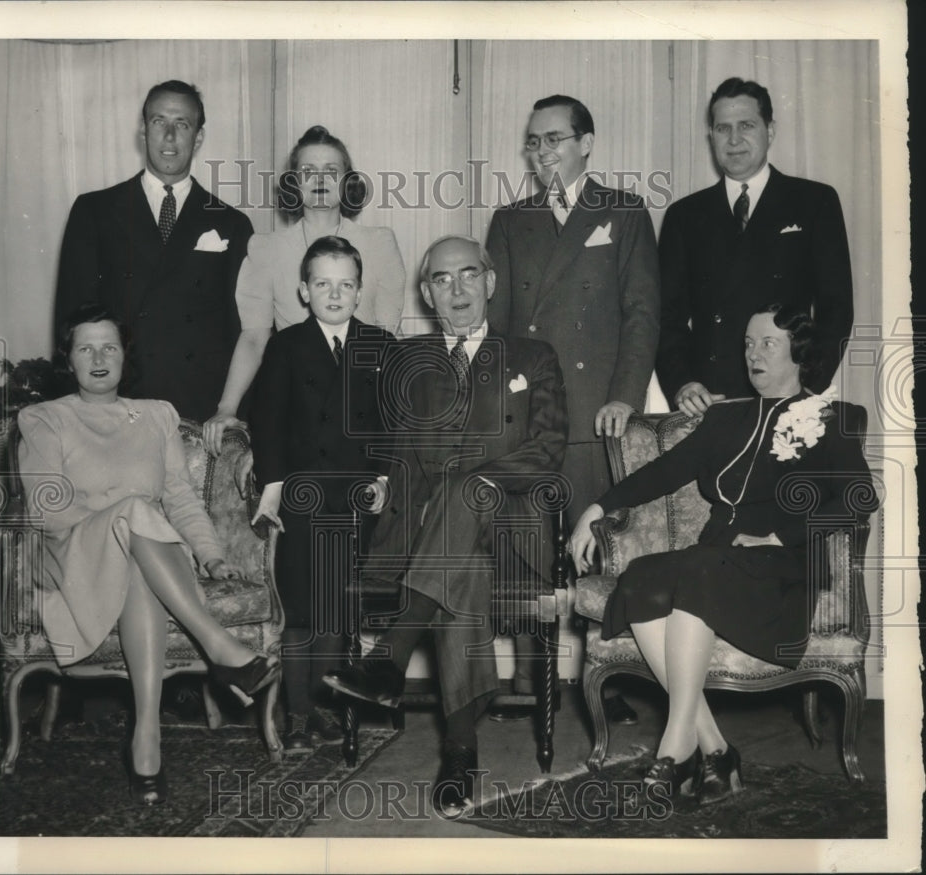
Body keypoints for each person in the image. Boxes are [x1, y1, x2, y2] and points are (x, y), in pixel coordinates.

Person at [569, 303, 876, 806]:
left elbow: (862, 497)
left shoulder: (829, 418)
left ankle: (675, 748)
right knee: (642, 577)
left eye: (767, 344)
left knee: (696, 572)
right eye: (748, 343)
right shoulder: (727, 417)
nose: (752, 354)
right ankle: (715, 748)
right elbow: (665, 471)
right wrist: (596, 509)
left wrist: (781, 538)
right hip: (715, 561)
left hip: (781, 567)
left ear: (799, 354)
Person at [323, 235, 568, 817]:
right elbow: (397, 457)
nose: (456, 290)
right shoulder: (409, 362)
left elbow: (547, 450)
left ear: (489, 281)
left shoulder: (533, 358)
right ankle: (460, 753)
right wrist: (382, 500)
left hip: (512, 535)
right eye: (440, 279)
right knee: (460, 575)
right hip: (435, 546)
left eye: (467, 276)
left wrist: (474, 484)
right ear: (428, 294)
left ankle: (390, 656)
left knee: (466, 503)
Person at [17, 304, 276, 806]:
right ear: (68, 359)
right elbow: (48, 509)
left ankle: (147, 732)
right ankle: (219, 647)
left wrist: (211, 555)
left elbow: (180, 497)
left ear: (123, 356)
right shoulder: (44, 418)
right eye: (85, 347)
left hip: (150, 553)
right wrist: (116, 514)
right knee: (134, 511)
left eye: (109, 347)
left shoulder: (156, 414)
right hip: (78, 556)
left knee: (140, 548)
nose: (98, 357)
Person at [486, 94, 660, 721]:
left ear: (587, 143)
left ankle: (602, 685)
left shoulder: (624, 211)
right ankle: (539, 688)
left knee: (596, 553)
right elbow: (498, 327)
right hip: (533, 415)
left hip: (597, 415)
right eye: (534, 141)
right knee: (533, 555)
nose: (543, 152)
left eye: (555, 139)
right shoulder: (511, 220)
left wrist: (625, 397)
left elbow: (643, 314)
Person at [246, 235, 394, 752]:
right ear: (304, 291)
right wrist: (272, 489)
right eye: (323, 284)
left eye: (346, 284)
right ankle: (297, 712)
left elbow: (391, 427)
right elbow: (268, 422)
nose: (335, 293)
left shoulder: (380, 345)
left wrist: (381, 478)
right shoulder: (286, 345)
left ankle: (327, 707)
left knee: (337, 608)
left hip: (355, 500)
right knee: (301, 609)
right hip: (302, 499)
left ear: (359, 291)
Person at [55, 80, 254, 425]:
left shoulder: (233, 223)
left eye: (183, 124)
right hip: (116, 402)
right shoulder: (94, 211)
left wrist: (230, 411)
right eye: (159, 122)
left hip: (198, 407)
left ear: (199, 137)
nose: (170, 136)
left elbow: (241, 332)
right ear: (143, 131)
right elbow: (72, 320)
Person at [656, 76, 854, 417]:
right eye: (722, 128)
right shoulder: (684, 215)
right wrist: (682, 383)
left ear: (770, 130)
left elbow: (836, 310)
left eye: (746, 125)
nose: (734, 140)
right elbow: (665, 318)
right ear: (711, 136)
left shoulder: (814, 201)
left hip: (788, 396)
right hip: (710, 402)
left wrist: (808, 389)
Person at [203, 125, 405, 456]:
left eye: (331, 171)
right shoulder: (266, 248)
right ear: (294, 184)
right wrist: (227, 407)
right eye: (308, 171)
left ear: (347, 182)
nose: (320, 180)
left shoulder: (380, 243)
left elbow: (385, 336)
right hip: (297, 412)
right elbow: (254, 337)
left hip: (364, 409)